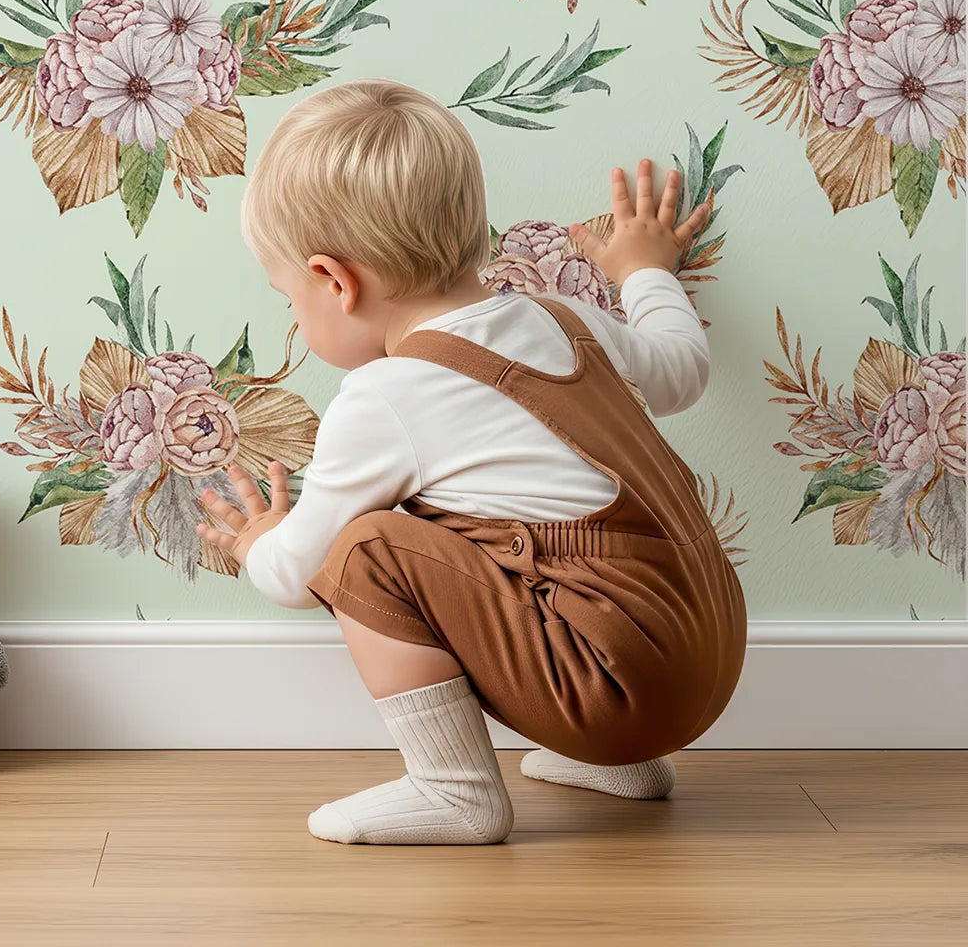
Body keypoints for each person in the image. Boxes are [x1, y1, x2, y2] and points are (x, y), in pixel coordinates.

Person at [197, 80, 746, 846]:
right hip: (708, 657)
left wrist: (260, 539)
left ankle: (453, 789)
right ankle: (623, 761)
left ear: (335, 282)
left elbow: (297, 573)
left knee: (366, 549)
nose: (295, 312)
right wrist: (644, 271)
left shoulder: (385, 395)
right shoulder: (563, 317)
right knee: (501, 548)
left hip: (616, 687)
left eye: (288, 297)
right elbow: (683, 370)